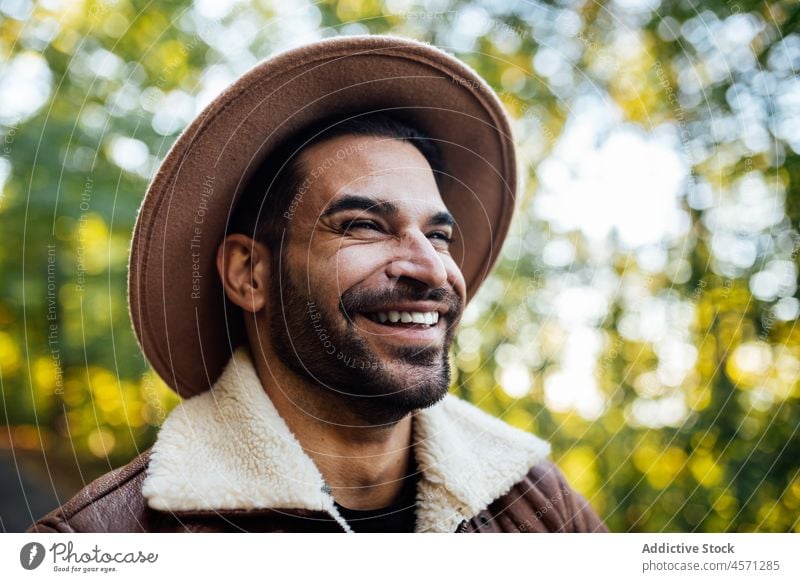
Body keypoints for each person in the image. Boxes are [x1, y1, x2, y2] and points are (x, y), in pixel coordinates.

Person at [29, 35, 607, 533]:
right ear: (248, 274)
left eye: (438, 235)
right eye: (363, 225)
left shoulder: (537, 506)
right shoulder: (111, 541)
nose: (430, 269)